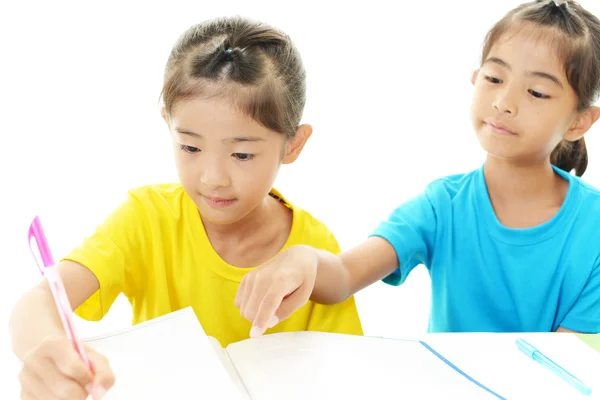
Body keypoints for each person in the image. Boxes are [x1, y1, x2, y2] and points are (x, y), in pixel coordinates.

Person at [9, 16, 362, 400]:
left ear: (292, 144)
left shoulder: (314, 247)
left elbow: (343, 373)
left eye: (242, 154)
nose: (213, 178)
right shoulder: (145, 218)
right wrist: (46, 353)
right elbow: (36, 303)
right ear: (169, 124)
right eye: (190, 147)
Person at [236, 0, 600, 339]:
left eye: (536, 92)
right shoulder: (442, 206)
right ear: (475, 80)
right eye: (494, 78)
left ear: (580, 121)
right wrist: (305, 260)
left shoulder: (593, 228)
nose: (504, 103)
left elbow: (565, 366)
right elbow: (344, 276)